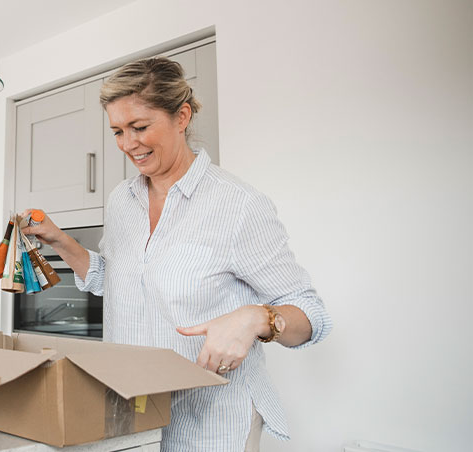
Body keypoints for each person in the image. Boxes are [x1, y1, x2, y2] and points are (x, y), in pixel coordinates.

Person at [20, 57, 332, 451]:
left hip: (212, 421)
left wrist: (258, 318)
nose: (127, 144)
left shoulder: (237, 205)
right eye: (117, 131)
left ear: (181, 116)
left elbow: (311, 315)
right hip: (131, 411)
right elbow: (111, 279)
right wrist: (59, 240)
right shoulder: (122, 200)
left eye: (140, 127)